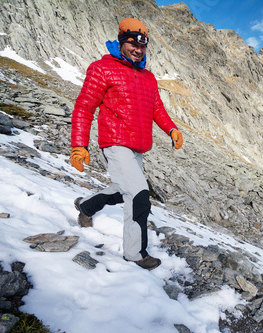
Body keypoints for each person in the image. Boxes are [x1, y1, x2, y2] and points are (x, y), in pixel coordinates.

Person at [70, 17, 183, 270]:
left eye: (143, 46)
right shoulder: (102, 68)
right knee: (140, 193)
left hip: (138, 146)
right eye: (133, 44)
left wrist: (172, 129)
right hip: (115, 142)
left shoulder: (148, 78)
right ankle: (136, 254)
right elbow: (84, 107)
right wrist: (79, 145)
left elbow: (157, 109)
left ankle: (85, 207)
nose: (138, 50)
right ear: (121, 42)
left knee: (123, 191)